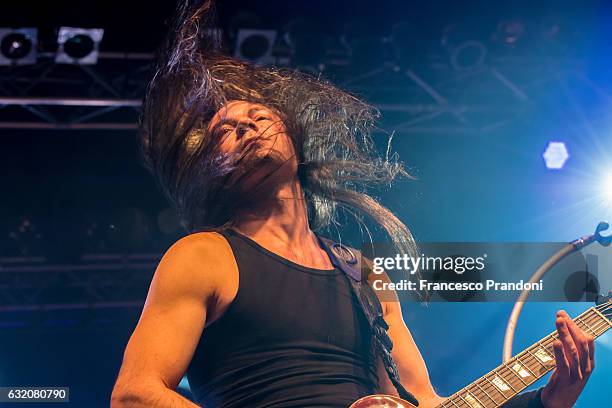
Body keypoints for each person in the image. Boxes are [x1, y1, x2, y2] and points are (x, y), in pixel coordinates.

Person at [110, 1, 596, 407]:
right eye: (225, 132)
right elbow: (134, 394)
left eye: (258, 115)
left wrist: (548, 400)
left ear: (292, 139)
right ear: (212, 168)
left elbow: (425, 402)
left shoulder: (364, 274)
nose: (247, 126)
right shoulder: (203, 255)